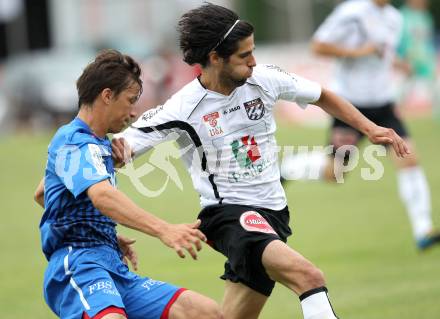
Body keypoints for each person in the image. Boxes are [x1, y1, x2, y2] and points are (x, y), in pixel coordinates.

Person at [112, 3, 409, 319]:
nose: (254, 62)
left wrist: (371, 128)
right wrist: (86, 162)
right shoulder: (183, 108)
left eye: (253, 52)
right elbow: (122, 147)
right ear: (215, 58)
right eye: (244, 56)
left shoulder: (264, 79)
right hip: (227, 215)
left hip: (274, 215)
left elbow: (323, 94)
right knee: (308, 277)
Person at [33, 49, 222, 319]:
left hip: (112, 264)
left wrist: (97, 230)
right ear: (107, 95)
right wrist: (164, 229)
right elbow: (102, 196)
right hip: (79, 265)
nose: (134, 113)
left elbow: (43, 193)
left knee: (205, 312)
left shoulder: (97, 144)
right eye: (131, 101)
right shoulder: (73, 140)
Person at [282, 0, 439, 250]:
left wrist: (399, 65)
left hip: (384, 104)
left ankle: (423, 230)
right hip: (350, 107)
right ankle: (290, 167)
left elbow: (383, 55)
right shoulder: (351, 13)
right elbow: (318, 46)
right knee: (335, 173)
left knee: (408, 158)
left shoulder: (393, 18)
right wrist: (358, 52)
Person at [397, 0, 438, 118]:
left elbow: (428, 40)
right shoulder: (401, 16)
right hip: (408, 60)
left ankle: (436, 116)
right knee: (402, 90)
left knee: (435, 88)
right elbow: (398, 40)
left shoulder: (425, 16)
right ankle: (395, 115)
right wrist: (402, 59)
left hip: (425, 60)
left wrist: (432, 59)